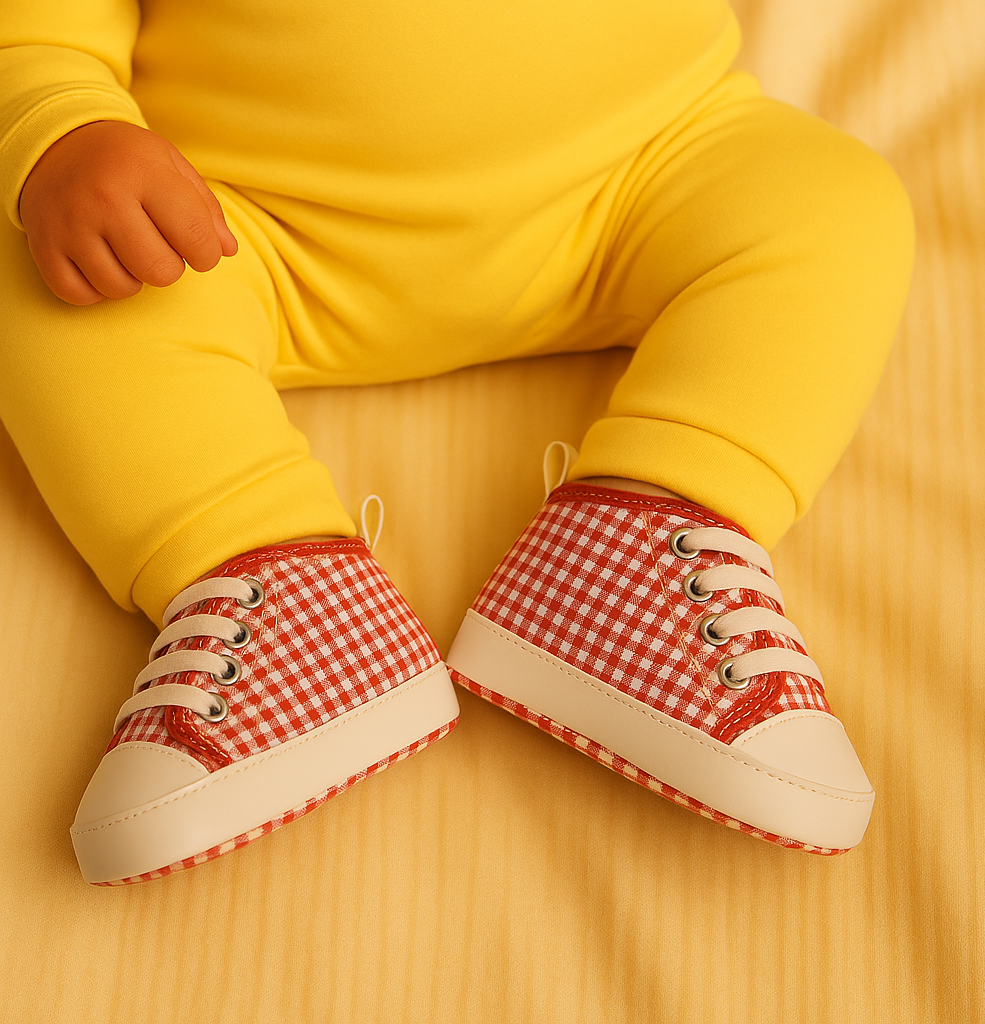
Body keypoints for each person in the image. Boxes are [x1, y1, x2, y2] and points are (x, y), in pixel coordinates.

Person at [0, 0, 914, 885]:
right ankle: (273, 591)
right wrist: (62, 130)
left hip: (636, 174)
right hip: (239, 229)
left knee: (835, 201)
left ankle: (638, 544)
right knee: (40, 285)